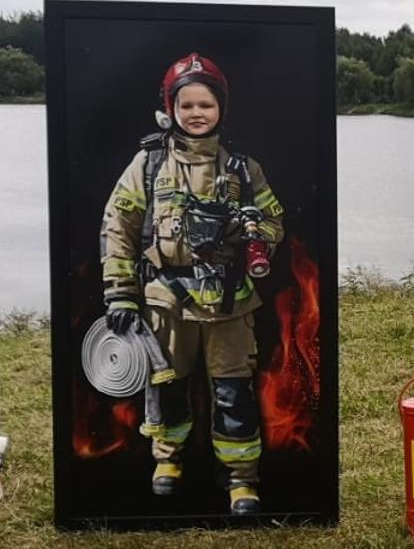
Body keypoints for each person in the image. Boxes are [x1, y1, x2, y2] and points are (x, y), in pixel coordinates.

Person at [100, 52, 285, 515]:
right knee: (166, 386)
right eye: (187, 106)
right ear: (170, 108)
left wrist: (253, 231)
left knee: (233, 393)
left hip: (229, 303)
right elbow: (117, 226)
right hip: (165, 301)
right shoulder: (148, 166)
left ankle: (241, 479)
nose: (197, 114)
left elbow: (275, 221)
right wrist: (121, 292)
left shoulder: (243, 169)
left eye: (206, 104)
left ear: (221, 108)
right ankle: (167, 461)